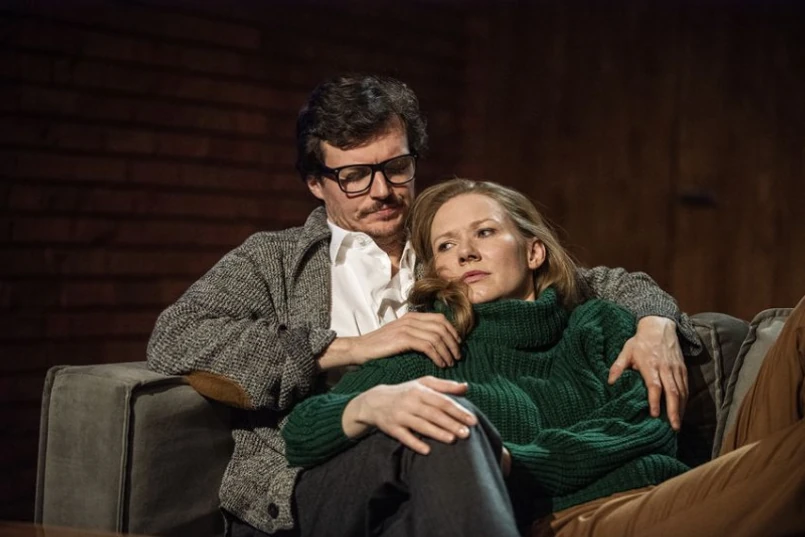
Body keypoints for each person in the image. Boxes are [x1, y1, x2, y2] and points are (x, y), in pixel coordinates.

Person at [147, 75, 701, 536]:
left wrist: (656, 322)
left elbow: (591, 281)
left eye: (396, 167)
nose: (381, 191)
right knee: (444, 423)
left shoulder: (448, 241)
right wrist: (351, 348)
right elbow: (178, 335)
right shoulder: (273, 260)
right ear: (316, 183)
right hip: (323, 474)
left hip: (454, 478)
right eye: (354, 176)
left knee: (448, 428)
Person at [282, 179, 805, 537]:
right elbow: (302, 431)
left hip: (665, 488)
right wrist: (368, 404)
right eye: (445, 246)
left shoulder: (598, 323)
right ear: (438, 271)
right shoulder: (431, 348)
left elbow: (649, 429)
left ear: (533, 251)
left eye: (484, 232)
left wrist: (517, 461)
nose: (465, 252)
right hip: (570, 519)